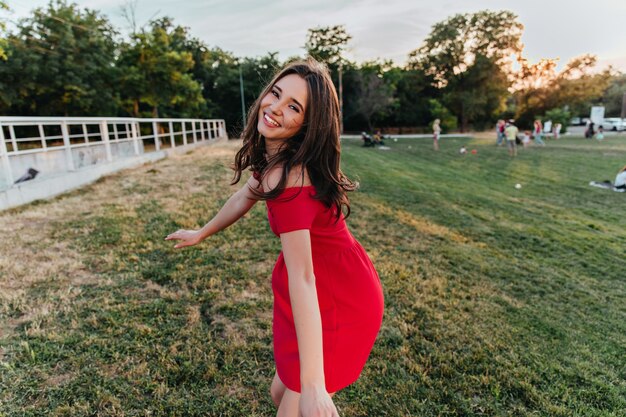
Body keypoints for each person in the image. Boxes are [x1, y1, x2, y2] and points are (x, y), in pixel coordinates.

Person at [165, 59, 384, 417]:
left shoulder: (289, 178)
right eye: (276, 94)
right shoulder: (277, 157)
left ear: (308, 125)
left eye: (294, 107)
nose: (275, 109)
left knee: (298, 401)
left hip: (336, 296)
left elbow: (304, 277)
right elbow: (242, 197)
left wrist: (314, 383)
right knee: (279, 390)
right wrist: (201, 232)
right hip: (326, 281)